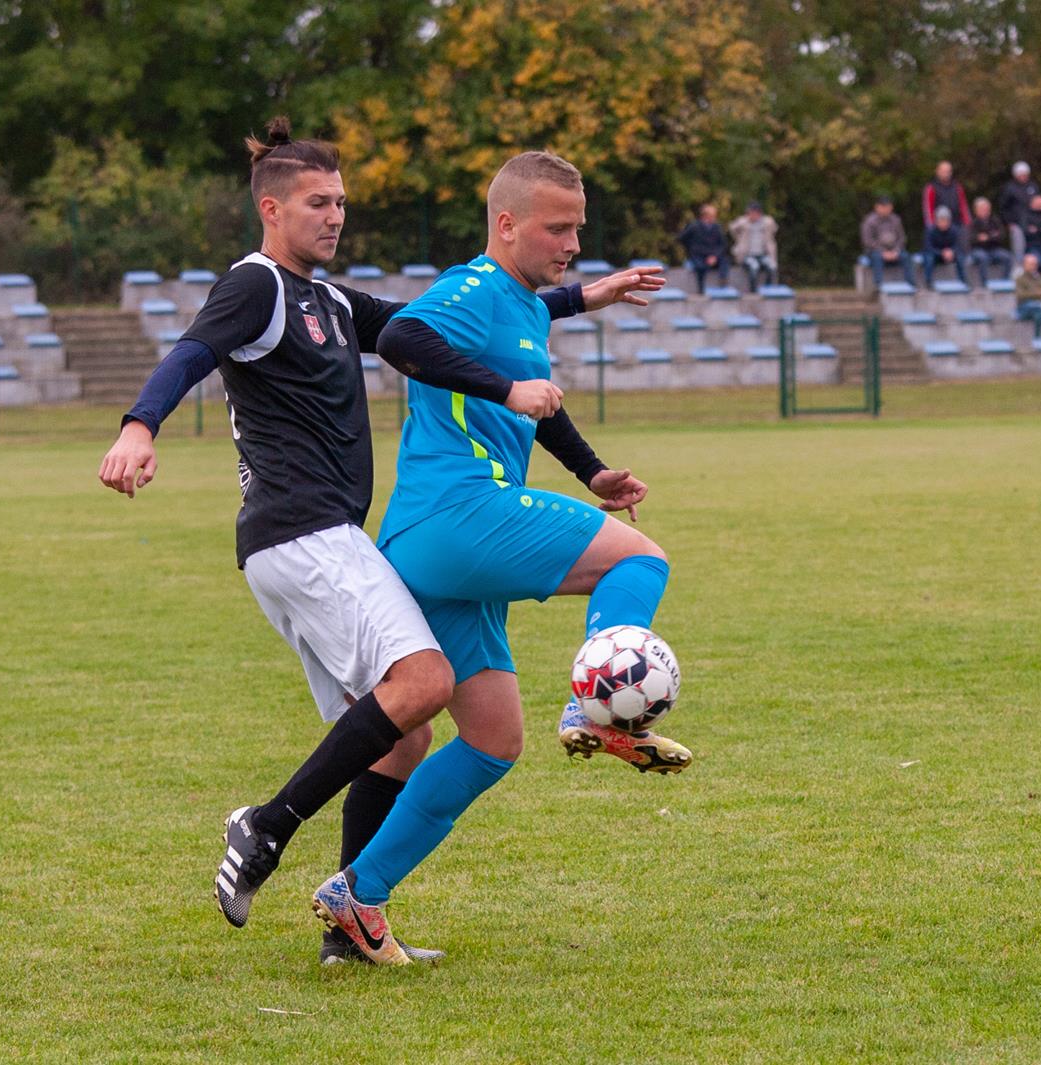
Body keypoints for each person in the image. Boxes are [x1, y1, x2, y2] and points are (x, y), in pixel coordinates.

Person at [96, 119, 659, 965]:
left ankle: (351, 920)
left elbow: (426, 325)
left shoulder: (327, 300)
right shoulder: (257, 285)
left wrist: (585, 297)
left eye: (342, 203)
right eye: (318, 203)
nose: (334, 217)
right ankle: (268, 822)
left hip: (316, 540)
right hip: (310, 531)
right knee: (430, 678)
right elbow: (192, 351)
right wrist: (141, 425)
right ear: (271, 207)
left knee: (410, 733)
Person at [310, 151, 694, 966]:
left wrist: (593, 471)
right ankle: (597, 702)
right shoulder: (475, 289)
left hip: (431, 546)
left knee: (492, 740)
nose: (573, 242)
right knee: (641, 563)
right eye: (558, 227)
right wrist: (505, 390)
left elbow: (533, 390)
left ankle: (358, 898)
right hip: (461, 512)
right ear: (507, 223)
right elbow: (405, 335)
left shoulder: (520, 307)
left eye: (579, 227)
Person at [860, 195, 915, 288]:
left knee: (906, 256)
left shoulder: (896, 220)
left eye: (888, 207)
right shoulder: (869, 221)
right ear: (877, 207)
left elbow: (902, 238)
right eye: (883, 207)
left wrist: (896, 250)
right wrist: (883, 252)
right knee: (876, 257)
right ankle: (878, 286)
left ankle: (911, 285)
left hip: (894, 251)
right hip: (875, 251)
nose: (886, 209)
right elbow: (867, 241)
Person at [677, 203, 729, 293]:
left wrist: (714, 256)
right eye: (712, 216)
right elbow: (681, 238)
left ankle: (722, 283)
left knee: (725, 261)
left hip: (713, 255)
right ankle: (701, 289)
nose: (714, 218)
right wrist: (691, 248)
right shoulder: (694, 226)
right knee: (700, 267)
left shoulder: (717, 227)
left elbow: (722, 244)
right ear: (705, 216)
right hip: (698, 255)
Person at [729, 202, 777, 292]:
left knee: (771, 266)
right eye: (750, 213)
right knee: (754, 267)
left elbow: (774, 230)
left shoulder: (767, 222)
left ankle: (768, 290)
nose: (752, 215)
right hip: (748, 255)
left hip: (762, 254)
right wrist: (739, 238)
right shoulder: (743, 221)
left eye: (754, 213)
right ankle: (753, 291)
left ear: (759, 213)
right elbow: (732, 228)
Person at [967, 197, 1012, 286]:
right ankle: (985, 284)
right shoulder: (972, 223)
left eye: (987, 208)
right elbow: (971, 239)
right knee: (983, 257)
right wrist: (989, 236)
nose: (985, 211)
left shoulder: (995, 220)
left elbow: (1001, 235)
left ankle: (1005, 282)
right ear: (976, 210)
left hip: (994, 249)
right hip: (977, 250)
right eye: (982, 209)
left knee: (1008, 257)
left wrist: (987, 237)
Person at [920, 160, 971, 238]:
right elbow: (928, 210)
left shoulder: (957, 187)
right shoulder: (931, 188)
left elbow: (963, 207)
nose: (946, 174)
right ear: (937, 171)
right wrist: (932, 227)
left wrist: (968, 223)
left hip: (957, 224)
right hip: (939, 227)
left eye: (948, 171)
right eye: (943, 171)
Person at [1000, 161, 1040, 258]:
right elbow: (1003, 206)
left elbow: (1039, 202)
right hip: (1016, 223)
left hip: (1032, 222)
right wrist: (1009, 222)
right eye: (1021, 174)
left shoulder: (1033, 186)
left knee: (1034, 247)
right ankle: (1018, 268)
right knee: (1019, 248)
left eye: (1025, 174)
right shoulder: (1009, 188)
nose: (1023, 177)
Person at [921, 206, 966, 286]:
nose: (943, 223)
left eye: (945, 220)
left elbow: (958, 245)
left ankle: (963, 281)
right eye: (941, 220)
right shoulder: (930, 230)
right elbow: (928, 247)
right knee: (928, 258)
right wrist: (942, 253)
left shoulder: (954, 230)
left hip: (950, 254)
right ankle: (928, 282)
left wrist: (952, 251)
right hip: (936, 254)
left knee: (960, 257)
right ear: (936, 221)